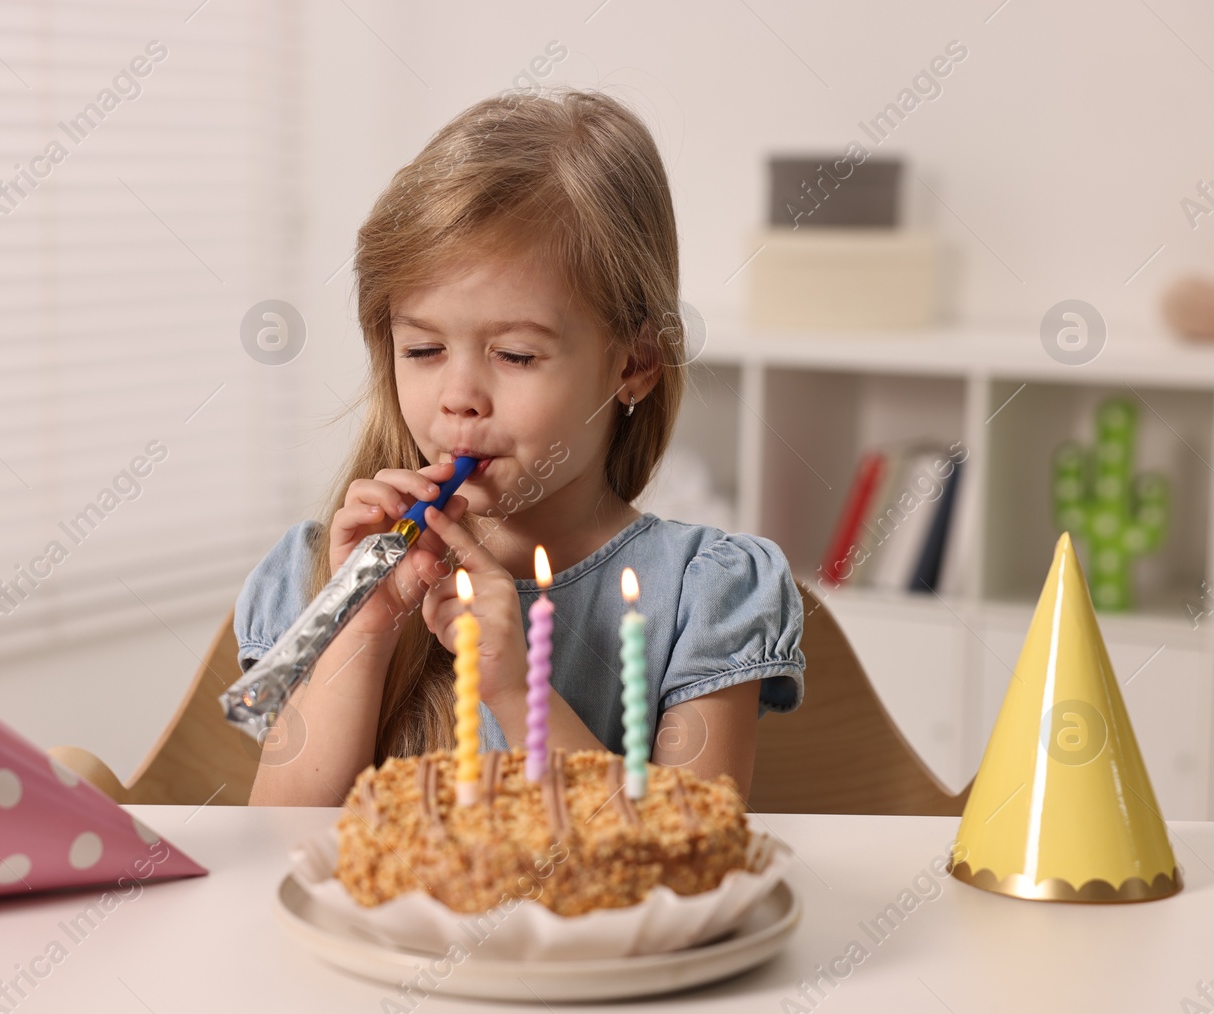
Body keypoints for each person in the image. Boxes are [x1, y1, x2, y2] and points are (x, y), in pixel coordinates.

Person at [237, 89, 804, 806]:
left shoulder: (703, 592)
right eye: (423, 347)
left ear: (633, 364)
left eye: (514, 354)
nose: (460, 395)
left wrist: (518, 692)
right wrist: (365, 629)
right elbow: (278, 848)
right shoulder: (324, 574)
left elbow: (687, 859)